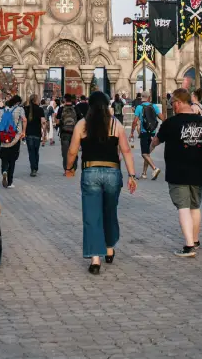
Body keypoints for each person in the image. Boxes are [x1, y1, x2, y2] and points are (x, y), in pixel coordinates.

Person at [65, 91, 137, 274]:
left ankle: (95, 259)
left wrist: (69, 168)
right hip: (113, 172)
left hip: (90, 172)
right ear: (107, 106)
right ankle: (110, 247)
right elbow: (126, 151)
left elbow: (72, 151)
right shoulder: (116, 124)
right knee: (109, 211)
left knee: (92, 216)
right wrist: (132, 175)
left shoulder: (82, 125)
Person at [150, 88, 202, 257]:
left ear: (177, 103)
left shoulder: (171, 123)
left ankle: (189, 245)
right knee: (195, 205)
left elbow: (156, 140)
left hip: (178, 169)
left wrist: (151, 145)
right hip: (198, 167)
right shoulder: (201, 121)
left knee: (183, 207)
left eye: (172, 104)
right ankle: (196, 240)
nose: (172, 107)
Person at [0, 95, 26, 188]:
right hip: (15, 137)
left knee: (4, 157)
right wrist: (24, 131)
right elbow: (24, 120)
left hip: (3, 137)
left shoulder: (2, 110)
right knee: (12, 160)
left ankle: (4, 171)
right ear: (18, 102)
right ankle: (9, 182)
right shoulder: (20, 109)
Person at [131, 92, 162, 180]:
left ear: (142, 98)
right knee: (147, 154)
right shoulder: (154, 106)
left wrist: (132, 133)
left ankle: (155, 168)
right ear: (149, 97)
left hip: (144, 132)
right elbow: (162, 117)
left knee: (144, 154)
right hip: (153, 132)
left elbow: (134, 121)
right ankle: (144, 173)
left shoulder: (139, 107)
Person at [24, 94, 46, 177]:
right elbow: (43, 122)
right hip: (37, 134)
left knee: (31, 152)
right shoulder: (40, 109)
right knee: (36, 151)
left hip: (29, 133)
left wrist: (23, 132)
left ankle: (33, 168)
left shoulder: (26, 109)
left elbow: (24, 121)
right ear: (36, 100)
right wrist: (44, 133)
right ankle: (35, 168)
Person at [56, 94, 79, 174]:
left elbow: (58, 121)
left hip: (64, 133)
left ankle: (66, 169)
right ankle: (73, 168)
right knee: (74, 151)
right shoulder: (76, 108)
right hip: (74, 134)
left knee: (65, 152)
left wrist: (58, 125)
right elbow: (80, 121)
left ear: (65, 100)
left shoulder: (61, 109)